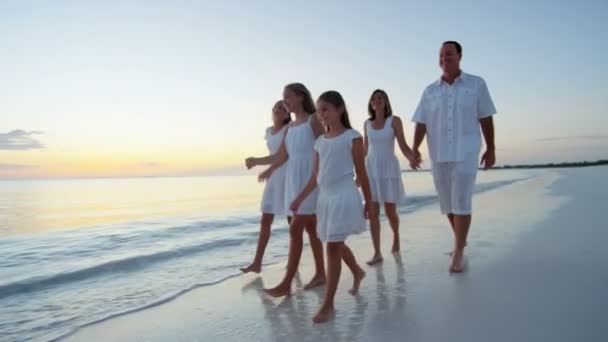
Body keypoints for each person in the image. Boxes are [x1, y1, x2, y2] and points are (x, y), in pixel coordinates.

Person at [411, 41, 497, 272]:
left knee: (461, 199)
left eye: (448, 54)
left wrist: (491, 148)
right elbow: (421, 122)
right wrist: (414, 148)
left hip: (466, 151)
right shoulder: (430, 91)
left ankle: (458, 251)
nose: (444, 58)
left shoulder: (476, 84)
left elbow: (486, 117)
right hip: (438, 153)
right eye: (440, 55)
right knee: (447, 203)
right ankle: (461, 239)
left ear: (459, 56)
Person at [290, 90, 374, 323]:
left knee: (332, 247)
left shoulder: (352, 137)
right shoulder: (319, 143)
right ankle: (357, 271)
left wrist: (370, 202)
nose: (321, 114)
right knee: (335, 243)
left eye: (325, 109)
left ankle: (328, 304)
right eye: (318, 111)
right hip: (325, 199)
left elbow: (362, 172)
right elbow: (315, 178)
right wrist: (299, 198)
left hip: (344, 195)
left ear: (339, 109)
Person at [256, 83, 326, 296]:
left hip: (310, 180)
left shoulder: (313, 120)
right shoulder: (290, 127)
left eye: (288, 96)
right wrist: (269, 171)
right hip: (293, 182)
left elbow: (325, 147)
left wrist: (324, 177)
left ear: (300, 97)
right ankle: (322, 273)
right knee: (312, 230)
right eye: (283, 97)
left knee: (295, 229)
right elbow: (282, 155)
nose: (285, 101)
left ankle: (287, 283)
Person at [364, 89, 418, 265]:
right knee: (372, 212)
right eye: (374, 99)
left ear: (386, 102)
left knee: (389, 210)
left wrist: (411, 157)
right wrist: (359, 172)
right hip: (371, 169)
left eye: (380, 98)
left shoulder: (394, 121)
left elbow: (402, 145)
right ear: (371, 104)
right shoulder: (367, 123)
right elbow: (364, 150)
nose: (377, 101)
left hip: (388, 168)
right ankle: (377, 252)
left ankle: (396, 236)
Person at [241, 100, 291, 273]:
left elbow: (283, 156)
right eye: (276, 107)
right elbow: (274, 155)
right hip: (273, 178)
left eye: (282, 108)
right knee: (265, 219)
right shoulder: (268, 131)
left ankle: (294, 260)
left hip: (286, 176)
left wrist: (257, 162)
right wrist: (268, 170)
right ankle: (257, 263)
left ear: (287, 113)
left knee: (293, 221)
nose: (278, 110)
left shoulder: (289, 129)